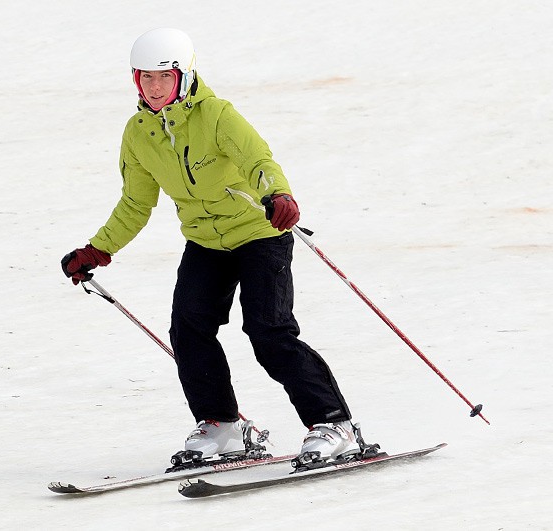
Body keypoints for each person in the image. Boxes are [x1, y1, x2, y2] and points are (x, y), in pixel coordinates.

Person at [61, 28, 364, 464]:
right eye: (146, 78)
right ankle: (222, 424)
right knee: (189, 330)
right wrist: (97, 249)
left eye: (165, 77)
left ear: (184, 76)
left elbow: (258, 160)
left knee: (269, 332)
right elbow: (135, 202)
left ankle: (334, 423)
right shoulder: (137, 134)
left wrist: (279, 195)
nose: (155, 86)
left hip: (260, 234)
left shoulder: (218, 115)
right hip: (205, 242)